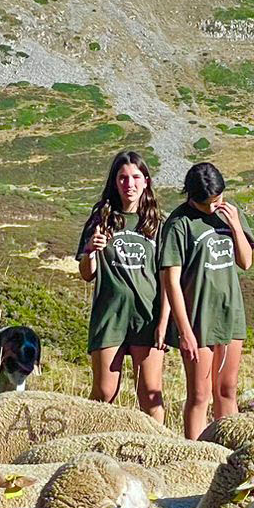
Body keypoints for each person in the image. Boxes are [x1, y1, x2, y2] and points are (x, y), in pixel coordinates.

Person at [156, 161, 253, 441]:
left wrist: (235, 225)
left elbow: (246, 262)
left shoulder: (230, 213)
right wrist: (184, 332)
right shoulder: (178, 223)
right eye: (208, 203)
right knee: (199, 394)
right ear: (191, 197)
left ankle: (227, 451)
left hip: (230, 312)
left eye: (218, 199)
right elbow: (171, 280)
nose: (214, 207)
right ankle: (196, 454)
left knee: (227, 389)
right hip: (198, 317)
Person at [75, 149, 166, 422]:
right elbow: (86, 273)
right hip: (109, 315)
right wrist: (91, 250)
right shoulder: (101, 218)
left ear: (146, 181)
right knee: (104, 392)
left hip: (146, 316)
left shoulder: (158, 224)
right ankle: (92, 445)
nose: (130, 184)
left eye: (136, 177)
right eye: (123, 178)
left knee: (150, 394)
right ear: (114, 182)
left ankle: (156, 450)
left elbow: (167, 277)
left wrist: (164, 322)